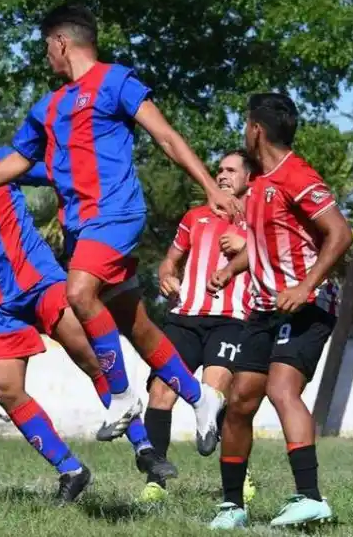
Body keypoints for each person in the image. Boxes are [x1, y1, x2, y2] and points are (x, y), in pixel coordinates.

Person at [0, 4, 238, 455]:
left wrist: (209, 187)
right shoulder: (49, 106)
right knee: (135, 326)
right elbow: (19, 160)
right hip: (81, 228)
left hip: (116, 215)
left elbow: (167, 136)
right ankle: (200, 400)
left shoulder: (116, 81)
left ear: (60, 42)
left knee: (79, 293)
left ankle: (121, 397)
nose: (46, 58)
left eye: (46, 48)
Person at [207, 93, 353, 528]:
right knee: (239, 400)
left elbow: (340, 234)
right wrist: (232, 269)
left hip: (308, 304)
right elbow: (263, 246)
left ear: (256, 129)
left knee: (281, 389)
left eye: (245, 124)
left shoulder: (297, 175)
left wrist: (306, 285)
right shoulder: (257, 187)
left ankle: (310, 497)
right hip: (264, 310)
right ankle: (232, 506)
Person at [140, 150, 257, 503]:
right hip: (184, 318)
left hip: (231, 320)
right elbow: (170, 261)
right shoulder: (195, 217)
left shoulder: (258, 218)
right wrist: (166, 277)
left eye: (231, 171)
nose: (222, 176)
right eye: (219, 170)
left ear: (248, 178)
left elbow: (277, 254)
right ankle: (155, 482)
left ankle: (240, 474)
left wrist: (247, 244)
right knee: (161, 390)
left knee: (214, 395)